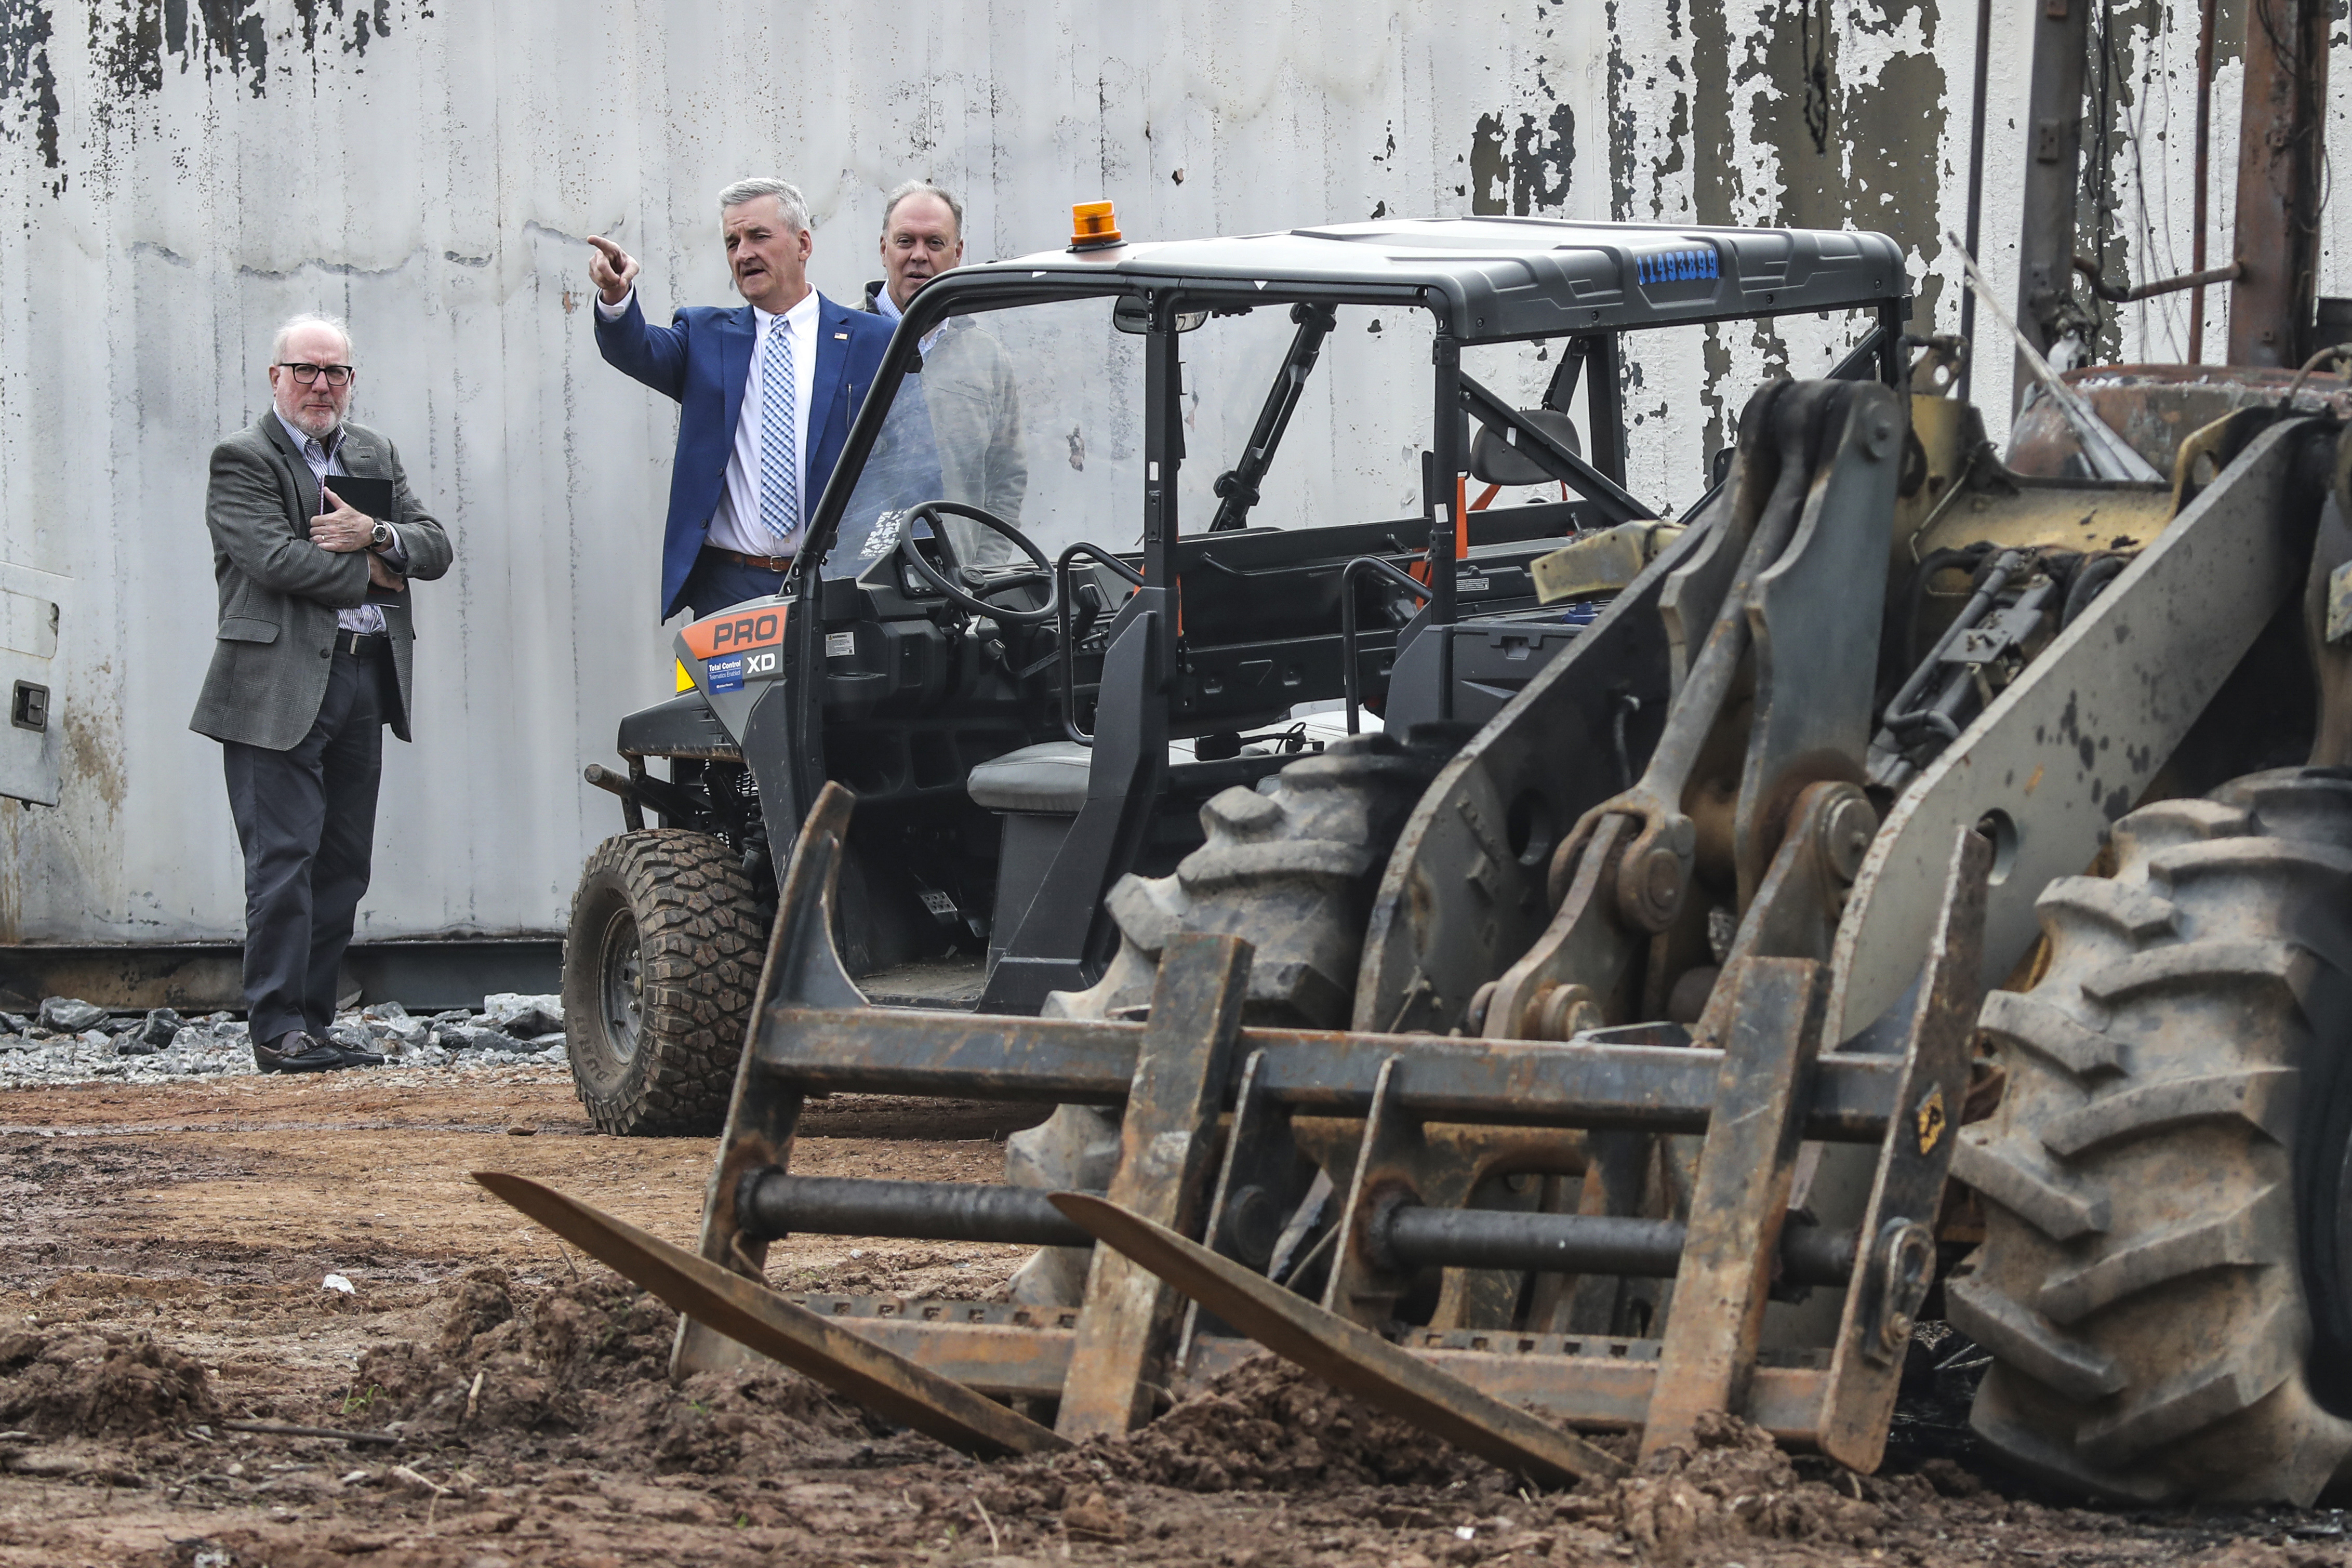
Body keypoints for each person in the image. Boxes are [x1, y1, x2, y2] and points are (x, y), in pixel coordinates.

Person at [191, 313, 454, 1074]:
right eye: (304, 370)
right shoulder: (242, 458)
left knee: (342, 861)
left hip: (364, 674)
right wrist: (376, 567)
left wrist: (375, 535)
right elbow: (271, 559)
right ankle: (278, 1030)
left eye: (335, 372)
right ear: (275, 376)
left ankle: (315, 1020)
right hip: (273, 686)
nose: (320, 385)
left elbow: (432, 543)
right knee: (283, 858)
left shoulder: (372, 450)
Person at [589, 179, 894, 620]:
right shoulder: (704, 336)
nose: (743, 253)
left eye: (758, 237)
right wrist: (616, 297)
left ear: (803, 244)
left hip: (841, 586)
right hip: (729, 589)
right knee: (723, 694)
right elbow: (634, 348)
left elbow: (910, 460)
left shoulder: (874, 340)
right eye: (732, 241)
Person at [862, 181, 1027, 566]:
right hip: (856, 585)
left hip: (953, 584)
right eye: (905, 241)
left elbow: (1005, 482)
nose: (919, 256)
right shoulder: (840, 342)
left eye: (934, 244)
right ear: (883, 248)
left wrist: (984, 573)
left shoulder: (986, 360)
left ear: (957, 254)